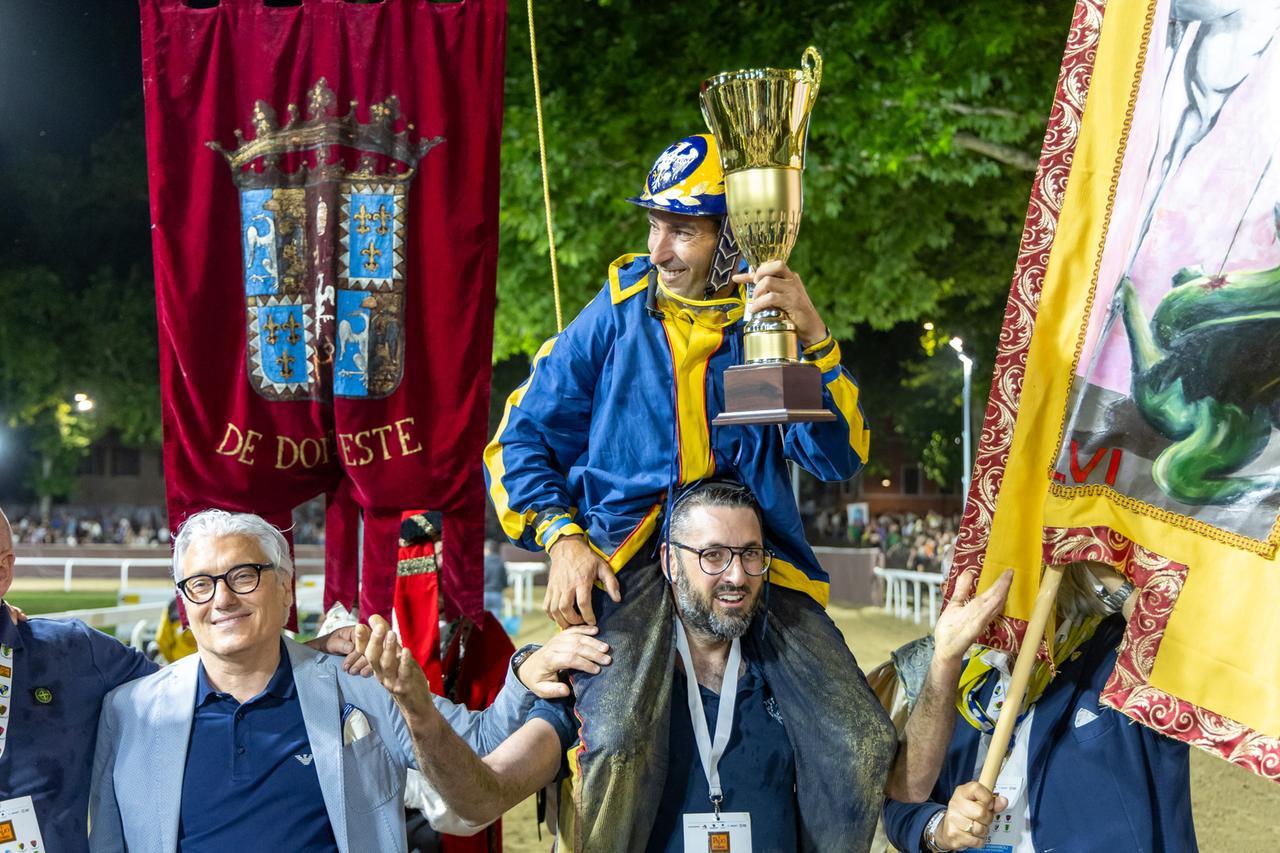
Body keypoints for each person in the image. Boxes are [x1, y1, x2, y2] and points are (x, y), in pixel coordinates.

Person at [484, 133, 894, 849]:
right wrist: (563, 537)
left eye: (683, 230)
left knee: (861, 741)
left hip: (751, 560)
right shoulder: (613, 314)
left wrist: (816, 338)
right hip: (632, 562)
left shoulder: (763, 324)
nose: (662, 248)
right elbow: (517, 440)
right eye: (655, 225)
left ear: (729, 237)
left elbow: (836, 456)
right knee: (611, 739)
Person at [386, 482, 877, 850]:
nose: (736, 575)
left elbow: (894, 782)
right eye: (712, 555)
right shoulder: (598, 680)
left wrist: (941, 662)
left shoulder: (795, 680)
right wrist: (420, 714)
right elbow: (481, 796)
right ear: (667, 560)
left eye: (750, 554)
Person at [88, 509, 611, 853]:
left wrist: (524, 674)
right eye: (200, 585)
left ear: (287, 590)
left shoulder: (360, 681)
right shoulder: (129, 710)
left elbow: (479, 747)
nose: (221, 599)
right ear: (185, 602)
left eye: (243, 577)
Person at [881, 562, 1197, 852]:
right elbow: (902, 799)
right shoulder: (965, 680)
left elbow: (1191, 654)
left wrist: (1101, 560)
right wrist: (942, 828)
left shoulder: (1118, 650)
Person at [483, 538, 508, 621]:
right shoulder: (501, 562)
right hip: (497, 593)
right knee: (496, 619)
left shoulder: (483, 562)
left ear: (487, 550)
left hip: (484, 594)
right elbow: (504, 580)